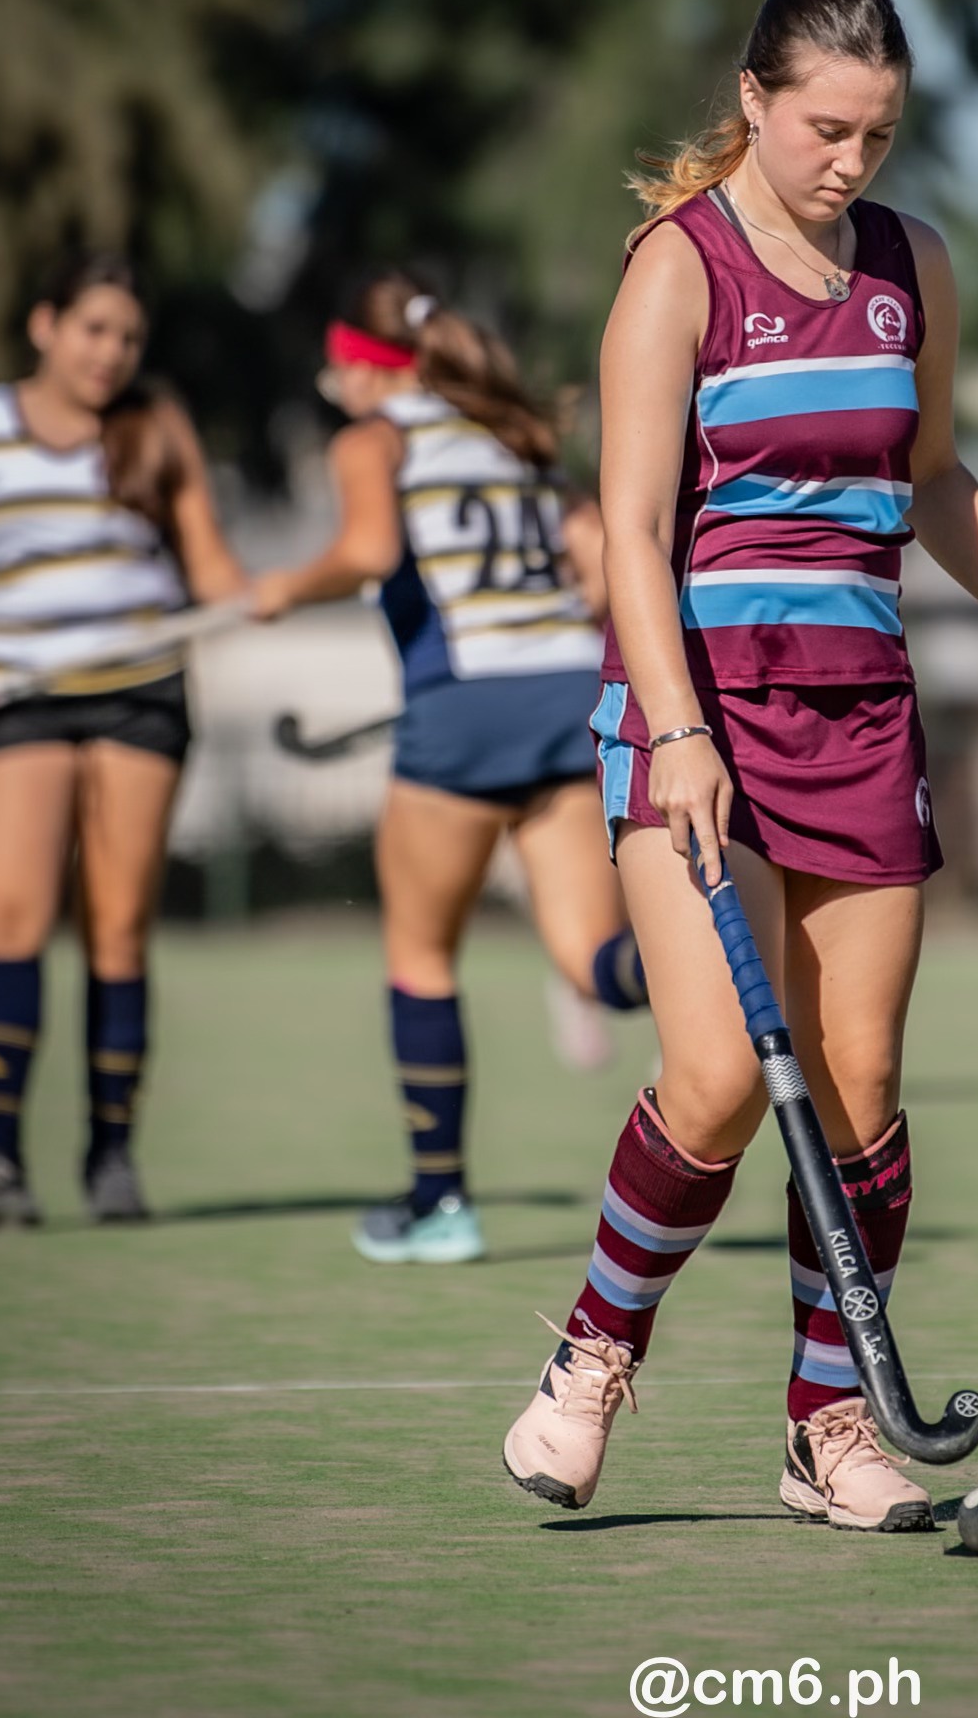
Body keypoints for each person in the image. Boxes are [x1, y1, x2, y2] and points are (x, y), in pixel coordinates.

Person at [500, 0, 978, 1532]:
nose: (851, 163)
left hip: (860, 714)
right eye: (826, 129)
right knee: (713, 1080)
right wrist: (683, 730)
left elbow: (929, 477)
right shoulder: (678, 268)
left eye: (879, 135)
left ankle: (826, 1429)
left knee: (860, 1091)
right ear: (756, 100)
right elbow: (634, 536)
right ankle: (592, 1357)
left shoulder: (912, 266)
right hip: (697, 707)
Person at [250, 274, 649, 1265]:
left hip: (461, 709)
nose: (326, 378)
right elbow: (592, 563)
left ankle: (440, 1204)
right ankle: (700, 972)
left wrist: (285, 588)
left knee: (422, 957)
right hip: (568, 697)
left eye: (336, 362)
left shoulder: (372, 439)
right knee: (591, 962)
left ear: (364, 366)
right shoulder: (508, 436)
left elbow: (369, 548)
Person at [0, 251, 247, 1226]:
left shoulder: (154, 422)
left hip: (140, 692)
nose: (111, 352)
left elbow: (207, 556)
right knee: (8, 917)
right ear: (44, 324)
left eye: (128, 336)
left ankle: (111, 1154)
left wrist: (248, 595)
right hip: (11, 695)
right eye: (94, 329)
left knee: (117, 924)